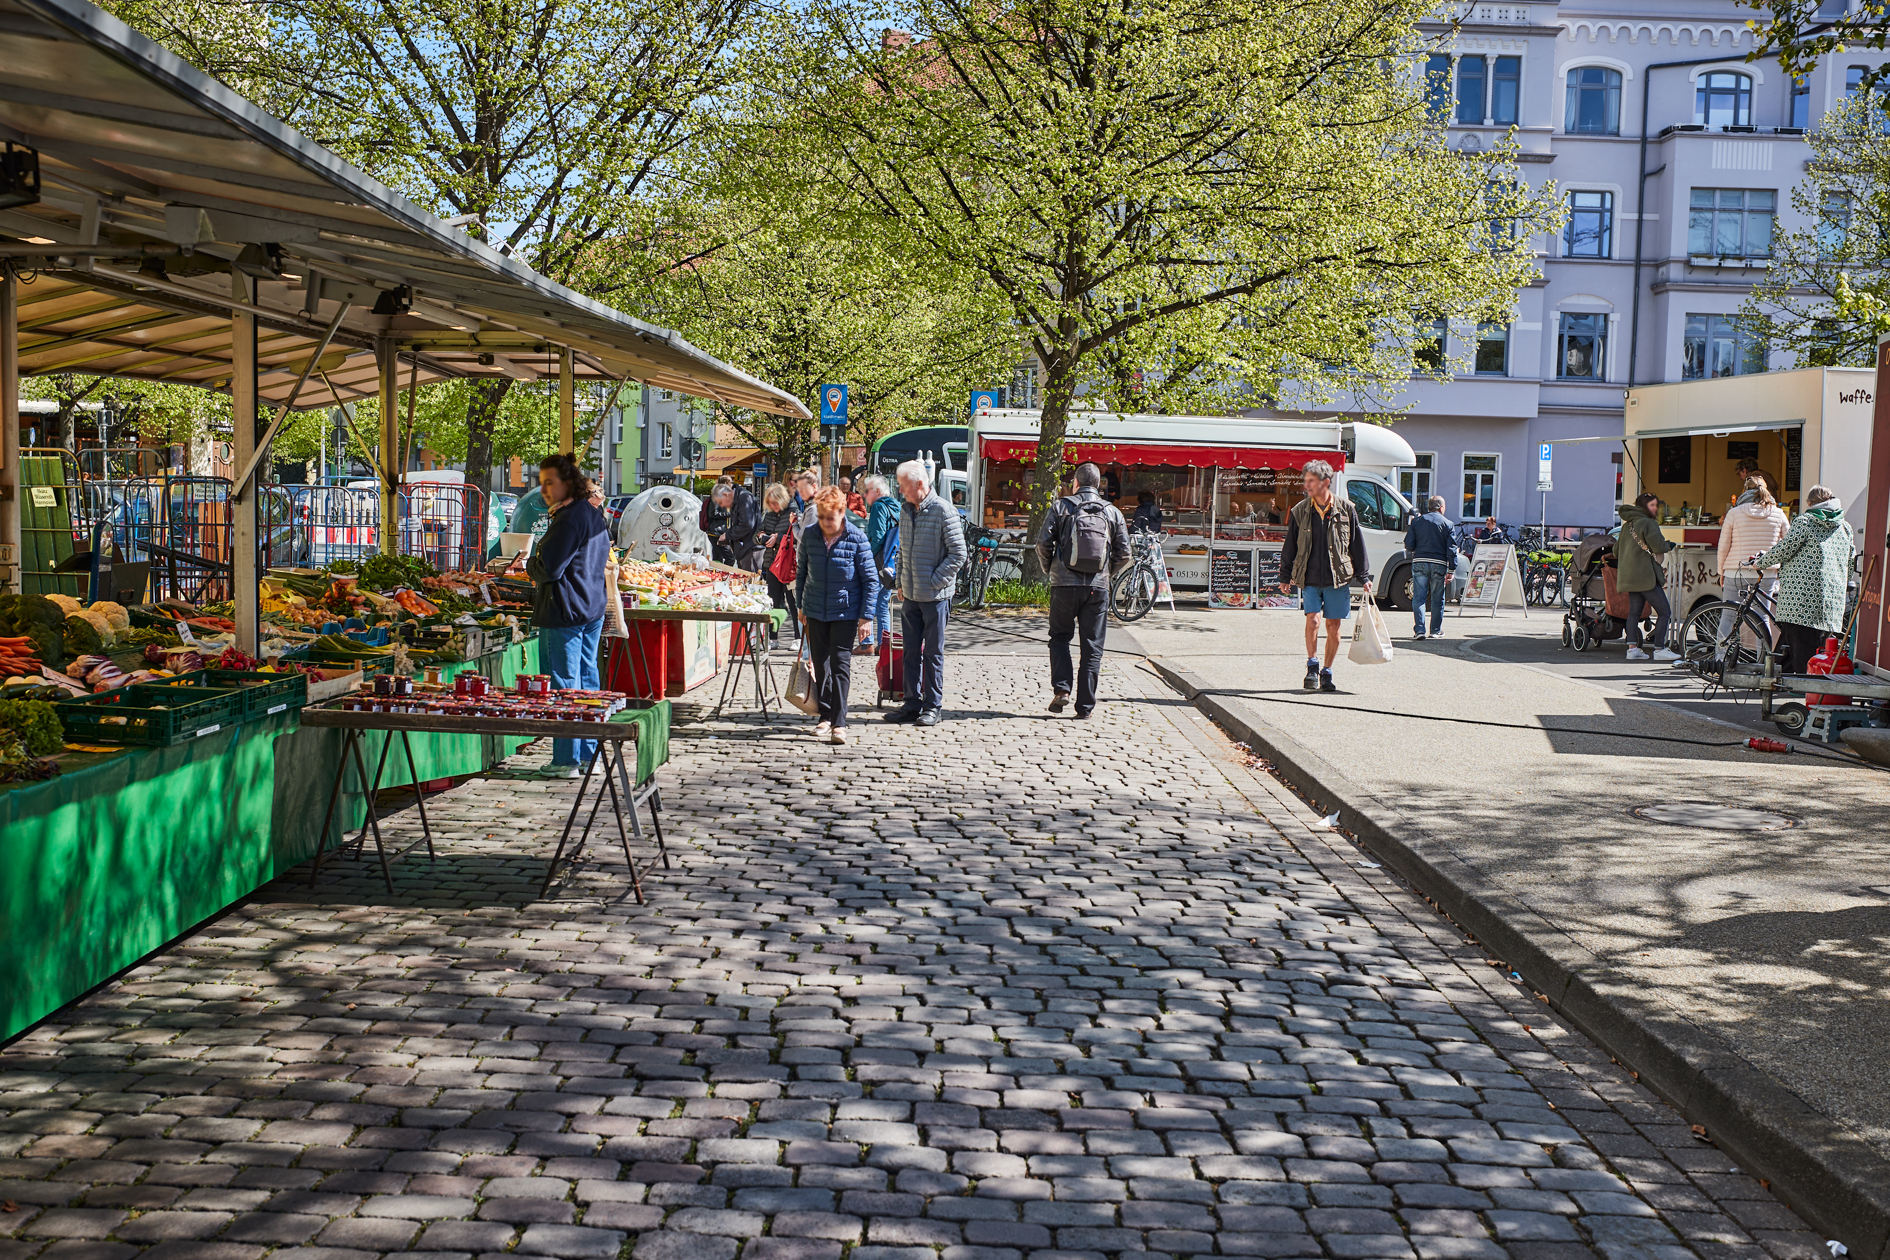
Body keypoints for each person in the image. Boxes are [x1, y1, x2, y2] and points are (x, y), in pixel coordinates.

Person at [526, 453, 610, 777]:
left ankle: (566, 760)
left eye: (550, 483)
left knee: (565, 684)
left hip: (566, 610)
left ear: (567, 483)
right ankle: (590, 755)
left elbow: (549, 568)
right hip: (590, 606)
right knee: (587, 682)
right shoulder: (592, 514)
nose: (545, 490)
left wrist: (530, 564)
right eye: (542, 483)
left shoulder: (570, 519)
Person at [1037, 462, 1131, 718]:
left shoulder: (1061, 507)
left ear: (1075, 483)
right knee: (1092, 647)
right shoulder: (1113, 513)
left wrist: (1051, 570)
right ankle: (1085, 707)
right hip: (1097, 588)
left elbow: (1042, 544)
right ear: (1100, 485)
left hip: (1064, 585)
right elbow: (1125, 554)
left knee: (1059, 637)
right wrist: (1106, 573)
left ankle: (1062, 689)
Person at [884, 459, 966, 727]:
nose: (900, 491)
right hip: (910, 596)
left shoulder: (944, 511)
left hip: (935, 597)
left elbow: (958, 554)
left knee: (932, 653)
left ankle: (932, 706)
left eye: (904, 486)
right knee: (910, 652)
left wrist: (934, 581)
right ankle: (911, 703)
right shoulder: (906, 511)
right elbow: (902, 552)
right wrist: (900, 582)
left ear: (920, 484)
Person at [794, 486, 878, 744]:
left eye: (830, 517)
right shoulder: (809, 535)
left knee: (840, 665)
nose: (825, 523)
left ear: (842, 513)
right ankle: (825, 716)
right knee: (821, 665)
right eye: (821, 517)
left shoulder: (856, 538)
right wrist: (800, 606)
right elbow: (802, 572)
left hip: (845, 611)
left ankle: (840, 723)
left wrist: (866, 617)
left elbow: (871, 580)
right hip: (816, 609)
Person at [1280, 460, 1370, 693]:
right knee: (1313, 621)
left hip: (1337, 578)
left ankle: (1327, 671)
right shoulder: (1300, 511)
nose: (1306, 485)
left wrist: (1364, 575)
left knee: (1334, 626)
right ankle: (1312, 666)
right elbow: (1290, 546)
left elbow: (1356, 544)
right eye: (1306, 480)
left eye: (1311, 480)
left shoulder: (1346, 509)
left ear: (1325, 482)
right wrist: (1284, 575)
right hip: (1309, 577)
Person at [1752, 484, 1854, 675]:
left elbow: (1785, 549)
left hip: (1800, 601)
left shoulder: (1805, 521)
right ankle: (1776, 680)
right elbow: (1850, 561)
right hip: (1830, 602)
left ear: (1809, 503)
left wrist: (1760, 562)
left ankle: (1804, 691)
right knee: (1801, 644)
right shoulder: (1845, 527)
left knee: (1801, 647)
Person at [1716, 475, 1788, 645]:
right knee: (1762, 619)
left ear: (1745, 490)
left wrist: (1721, 571)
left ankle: (1720, 660)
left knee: (1728, 617)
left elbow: (1723, 545)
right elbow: (1787, 544)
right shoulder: (1778, 514)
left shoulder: (1734, 513)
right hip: (1766, 573)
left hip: (1736, 571)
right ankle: (1764, 664)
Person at [1616, 491, 1679, 662]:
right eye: (1651, 505)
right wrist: (1669, 545)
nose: (1655, 508)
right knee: (1664, 611)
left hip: (1629, 577)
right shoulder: (1648, 523)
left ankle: (1632, 649)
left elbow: (1616, 550)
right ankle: (1659, 649)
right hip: (1645, 577)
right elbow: (1658, 546)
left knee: (1634, 613)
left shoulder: (1626, 525)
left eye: (1655, 505)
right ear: (1644, 507)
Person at [1404, 494, 1457, 640]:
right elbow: (1451, 550)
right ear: (1441, 507)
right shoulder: (1448, 524)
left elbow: (1408, 544)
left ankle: (1419, 631)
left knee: (1419, 598)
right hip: (1439, 564)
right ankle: (1435, 630)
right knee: (1437, 598)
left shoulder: (1417, 522)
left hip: (1420, 561)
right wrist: (1451, 570)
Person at [862, 475, 899, 652]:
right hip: (892, 562)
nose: (864, 495)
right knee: (883, 604)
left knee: (868, 600)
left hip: (878, 562)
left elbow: (877, 537)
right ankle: (885, 644)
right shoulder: (897, 506)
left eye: (866, 491)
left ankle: (866, 642)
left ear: (877, 491)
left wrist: (866, 559)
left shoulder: (878, 506)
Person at [757, 483, 795, 643]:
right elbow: (759, 531)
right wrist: (760, 536)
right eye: (770, 503)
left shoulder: (793, 512)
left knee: (792, 602)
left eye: (775, 503)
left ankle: (797, 639)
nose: (773, 506)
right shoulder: (770, 514)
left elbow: (796, 536)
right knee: (773, 600)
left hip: (788, 564)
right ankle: (772, 639)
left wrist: (778, 538)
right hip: (771, 562)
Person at [709, 480, 760, 570]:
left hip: (750, 549)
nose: (722, 506)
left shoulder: (744, 498)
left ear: (725, 495)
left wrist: (727, 535)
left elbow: (746, 525)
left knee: (750, 581)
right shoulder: (738, 499)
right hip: (745, 549)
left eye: (721, 502)